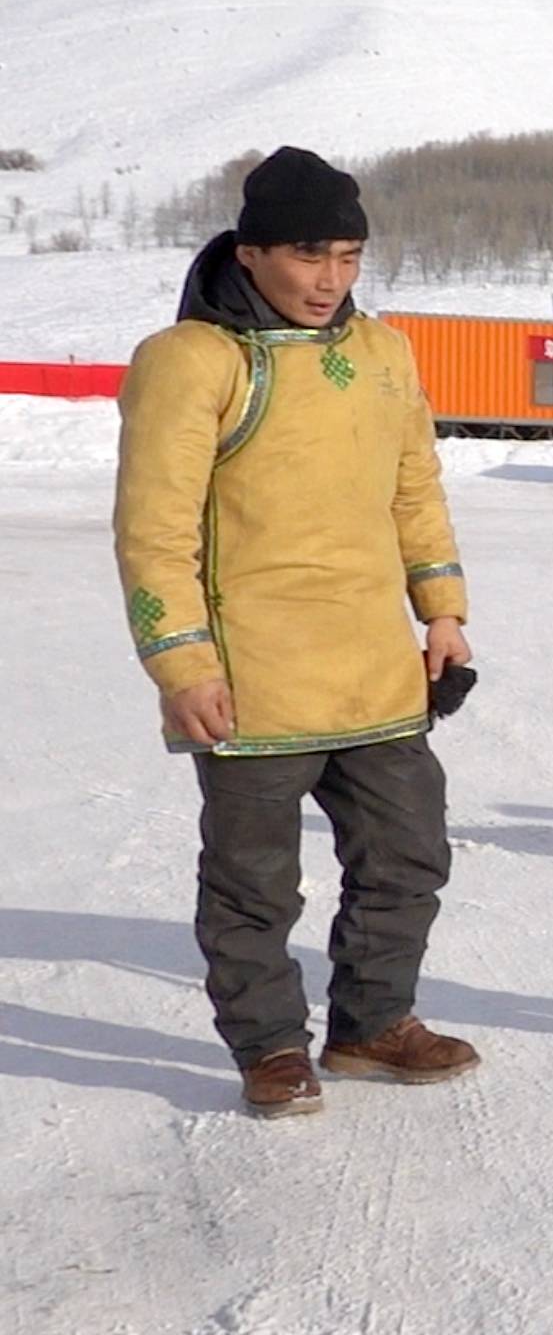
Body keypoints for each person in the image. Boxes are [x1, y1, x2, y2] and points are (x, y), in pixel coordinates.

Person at [113, 148, 480, 1118]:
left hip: (374, 668)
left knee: (409, 856)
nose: (331, 280)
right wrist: (179, 665)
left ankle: (371, 1024)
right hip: (252, 672)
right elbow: (153, 530)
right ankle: (271, 1047)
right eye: (311, 255)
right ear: (251, 251)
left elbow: (414, 489)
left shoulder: (382, 354)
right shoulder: (190, 361)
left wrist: (442, 610)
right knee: (254, 886)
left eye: (351, 258)